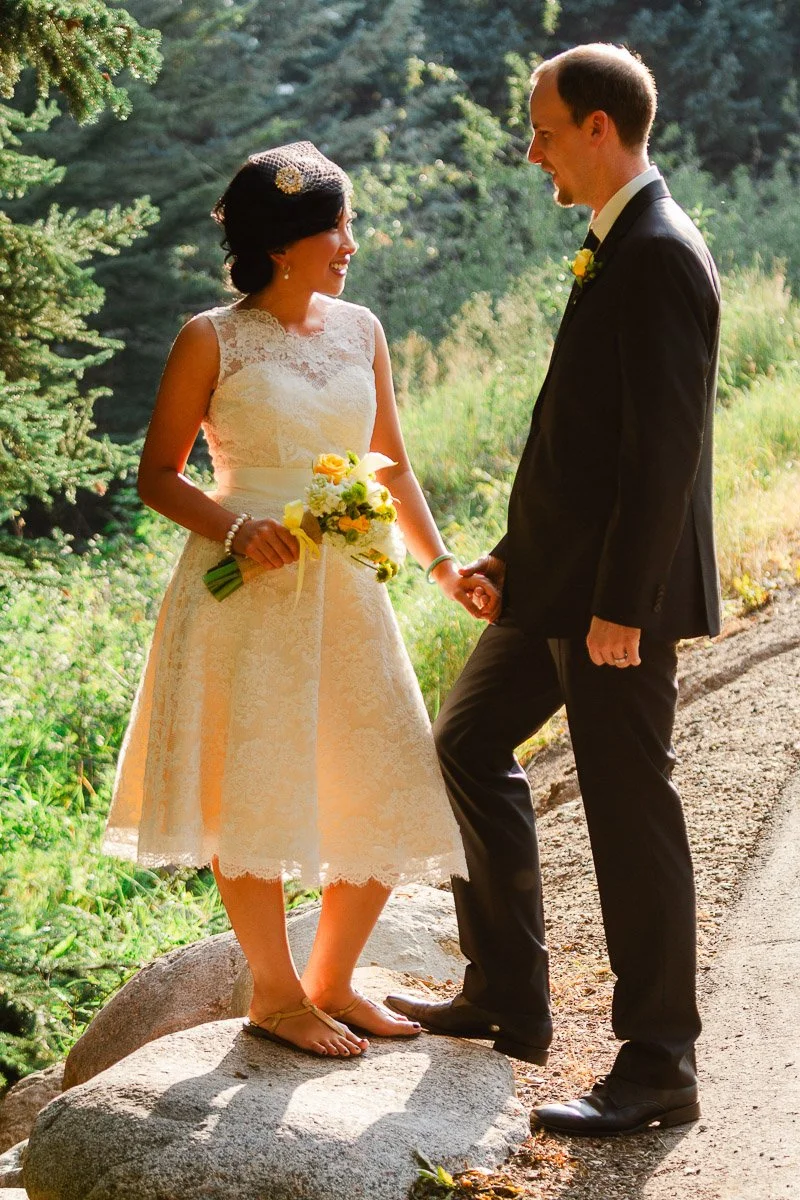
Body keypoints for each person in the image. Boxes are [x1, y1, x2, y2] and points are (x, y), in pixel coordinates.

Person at [388, 44, 722, 1134]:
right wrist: (510, 560)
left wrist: (621, 605)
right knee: (465, 742)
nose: (528, 150)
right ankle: (506, 997)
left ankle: (658, 1064)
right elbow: (577, 452)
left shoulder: (659, 251)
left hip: (613, 606)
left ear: (595, 126)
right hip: (557, 588)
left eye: (538, 128)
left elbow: (659, 455)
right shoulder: (611, 244)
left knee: (631, 812)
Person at [103, 141, 488, 1059]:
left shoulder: (363, 330)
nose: (350, 243)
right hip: (244, 594)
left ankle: (334, 980)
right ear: (285, 243)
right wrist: (236, 529)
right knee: (254, 791)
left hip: (347, 590)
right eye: (336, 226)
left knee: (392, 774)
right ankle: (275, 997)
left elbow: (391, 465)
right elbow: (157, 475)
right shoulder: (211, 338)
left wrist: (443, 568)